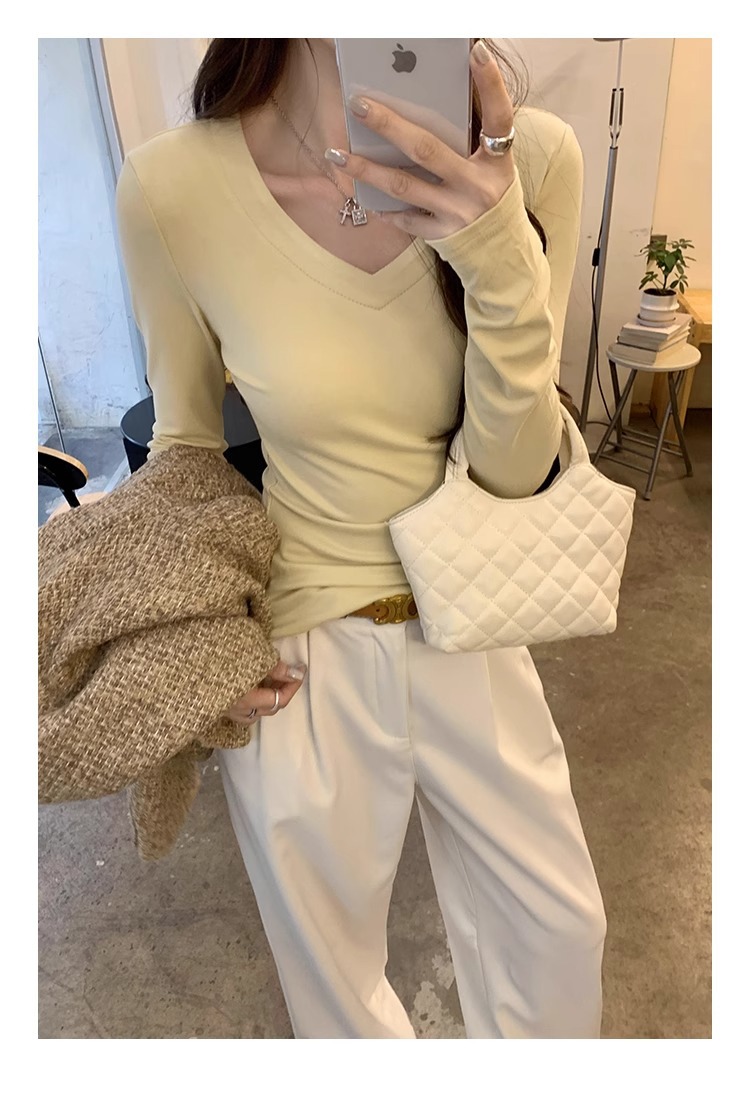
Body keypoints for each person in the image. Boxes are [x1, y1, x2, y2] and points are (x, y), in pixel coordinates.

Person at [115, 37, 607, 1039]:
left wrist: (494, 245)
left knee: (558, 941)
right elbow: (186, 449)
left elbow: (514, 472)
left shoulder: (535, 157)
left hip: (477, 619)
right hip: (300, 656)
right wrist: (193, 647)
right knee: (336, 1003)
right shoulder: (173, 188)